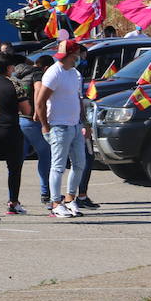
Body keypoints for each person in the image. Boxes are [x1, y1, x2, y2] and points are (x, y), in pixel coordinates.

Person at [36, 41, 86, 219]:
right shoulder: (54, 73)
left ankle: (70, 198)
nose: (79, 58)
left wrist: (83, 122)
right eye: (77, 55)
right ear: (71, 55)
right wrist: (45, 126)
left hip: (74, 126)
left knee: (79, 164)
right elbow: (40, 102)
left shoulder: (74, 73)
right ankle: (56, 202)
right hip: (58, 126)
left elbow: (77, 98)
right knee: (58, 167)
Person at [0, 54, 31, 214]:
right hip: (11, 130)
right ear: (10, 68)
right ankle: (13, 203)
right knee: (14, 169)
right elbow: (26, 109)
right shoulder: (15, 84)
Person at [15, 55, 55, 206]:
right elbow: (38, 88)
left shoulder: (17, 74)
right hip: (32, 120)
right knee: (46, 155)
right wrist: (38, 110)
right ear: (46, 68)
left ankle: (13, 198)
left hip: (18, 120)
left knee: (17, 160)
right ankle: (46, 193)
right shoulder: (38, 73)